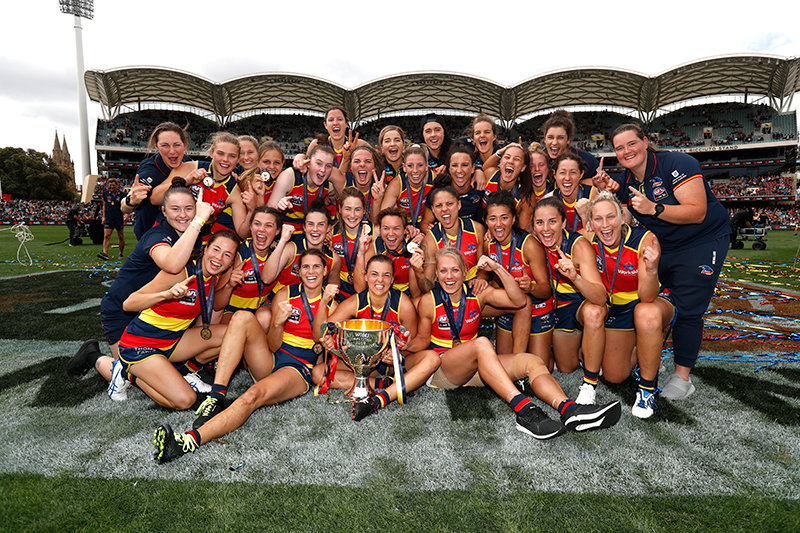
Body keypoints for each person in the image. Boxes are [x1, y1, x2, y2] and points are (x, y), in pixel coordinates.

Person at [412, 247, 620, 438]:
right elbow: (422, 339)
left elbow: (519, 301)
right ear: (437, 274)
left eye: (455, 270)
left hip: (475, 367)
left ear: (465, 272)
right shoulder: (429, 301)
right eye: (443, 271)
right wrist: (406, 345)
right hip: (444, 370)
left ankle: (570, 410)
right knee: (482, 344)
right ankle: (525, 411)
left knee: (531, 361)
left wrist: (497, 269)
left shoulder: (477, 293)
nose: (449, 277)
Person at [151, 249, 335, 463]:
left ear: (325, 271)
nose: (311, 271)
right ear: (298, 271)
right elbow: (273, 345)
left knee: (251, 396)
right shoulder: (286, 294)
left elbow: (325, 351)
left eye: (316, 267)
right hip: (273, 358)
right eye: (305, 266)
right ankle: (216, 396)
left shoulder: (334, 304)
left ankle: (188, 441)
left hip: (298, 369)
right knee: (241, 317)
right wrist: (277, 323)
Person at [596, 123, 730, 400]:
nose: (626, 151)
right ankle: (641, 350)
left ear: (645, 142)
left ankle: (682, 377)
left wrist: (654, 208)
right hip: (664, 245)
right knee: (652, 300)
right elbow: (628, 218)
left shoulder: (678, 162)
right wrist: (610, 193)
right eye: (619, 148)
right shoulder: (627, 180)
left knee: (688, 307)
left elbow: (697, 212)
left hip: (702, 240)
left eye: (631, 144)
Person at [66, 179, 212, 392]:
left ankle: (179, 370)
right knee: (132, 379)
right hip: (122, 309)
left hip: (151, 308)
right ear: (163, 211)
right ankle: (92, 356)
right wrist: (198, 220)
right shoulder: (158, 235)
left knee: (158, 370)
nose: (183, 214)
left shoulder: (193, 237)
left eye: (189, 208)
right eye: (175, 209)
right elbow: (172, 264)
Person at [71, 231, 242, 410]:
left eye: (227, 254)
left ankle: (185, 372)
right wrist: (165, 295)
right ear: (206, 249)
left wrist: (229, 284)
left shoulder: (212, 276)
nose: (219, 257)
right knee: (185, 400)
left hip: (173, 341)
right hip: (141, 344)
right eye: (216, 249)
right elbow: (129, 304)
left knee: (231, 335)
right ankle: (125, 373)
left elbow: (215, 303)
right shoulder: (180, 272)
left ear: (231, 262)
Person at [313, 254, 440, 420]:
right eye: (374, 274)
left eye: (386, 275)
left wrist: (403, 348)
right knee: (317, 373)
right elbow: (322, 332)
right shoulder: (355, 302)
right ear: (365, 276)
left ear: (393, 279)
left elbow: (419, 341)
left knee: (433, 359)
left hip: (393, 364)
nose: (380, 280)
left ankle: (378, 401)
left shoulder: (403, 304)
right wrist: (329, 340)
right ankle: (385, 384)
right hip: (366, 363)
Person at [584, 192, 676, 418]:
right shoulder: (586, 241)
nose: (605, 225)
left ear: (622, 217)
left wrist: (653, 268)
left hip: (651, 300)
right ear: (590, 223)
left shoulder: (644, 239)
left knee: (647, 314)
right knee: (615, 375)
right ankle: (645, 348)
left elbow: (647, 296)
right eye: (598, 219)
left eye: (610, 217)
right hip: (617, 308)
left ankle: (646, 391)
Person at [532, 197, 608, 404]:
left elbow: (600, 298)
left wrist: (575, 277)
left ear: (564, 223)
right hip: (558, 309)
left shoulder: (578, 245)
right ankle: (590, 349)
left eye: (552, 222)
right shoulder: (533, 244)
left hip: (581, 303)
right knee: (566, 367)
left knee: (594, 313)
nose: (546, 229)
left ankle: (590, 384)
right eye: (540, 223)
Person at [483, 190, 554, 360]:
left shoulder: (529, 244)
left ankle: (548, 349)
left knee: (541, 366)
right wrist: (482, 280)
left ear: (514, 218)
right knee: (505, 363)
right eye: (492, 219)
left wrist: (531, 286)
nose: (498, 224)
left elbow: (546, 290)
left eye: (504, 218)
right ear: (486, 221)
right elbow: (490, 277)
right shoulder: (489, 244)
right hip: (509, 308)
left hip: (537, 308)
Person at [122, 122, 193, 240]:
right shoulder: (149, 169)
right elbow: (125, 207)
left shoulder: (189, 163)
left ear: (184, 144)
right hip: (150, 238)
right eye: (165, 145)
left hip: (180, 237)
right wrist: (131, 201)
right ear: (156, 146)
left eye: (177, 145)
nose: (172, 151)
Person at [415, 178, 486, 291]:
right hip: (446, 289)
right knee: (424, 302)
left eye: (449, 204)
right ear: (432, 210)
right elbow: (427, 288)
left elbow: (484, 266)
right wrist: (418, 273)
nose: (444, 209)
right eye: (439, 206)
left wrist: (481, 279)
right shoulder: (430, 240)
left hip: (473, 288)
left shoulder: (477, 229)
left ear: (458, 204)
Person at [222, 206, 284, 331]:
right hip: (232, 311)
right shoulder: (238, 253)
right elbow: (217, 303)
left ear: (277, 231)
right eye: (257, 224)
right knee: (237, 330)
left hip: (262, 309)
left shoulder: (279, 253)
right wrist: (229, 284)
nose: (262, 229)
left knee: (265, 318)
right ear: (250, 227)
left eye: (269, 226)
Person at [268, 143, 342, 233]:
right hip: (287, 231)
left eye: (328, 166)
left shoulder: (329, 186)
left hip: (311, 232)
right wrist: (278, 208)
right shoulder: (290, 177)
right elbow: (268, 212)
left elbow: (340, 208)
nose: (323, 170)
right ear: (308, 163)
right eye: (318, 163)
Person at [354, 207, 422, 298]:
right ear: (380, 230)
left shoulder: (413, 246)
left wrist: (415, 268)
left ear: (405, 230)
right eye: (386, 228)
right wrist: (361, 253)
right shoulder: (375, 247)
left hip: (407, 297)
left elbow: (416, 294)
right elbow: (360, 289)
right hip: (382, 295)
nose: (390, 233)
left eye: (396, 228)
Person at [419, 143, 486, 231]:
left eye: (465, 165)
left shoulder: (479, 187)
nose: (459, 170)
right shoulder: (439, 191)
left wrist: (480, 171)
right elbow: (425, 223)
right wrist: (431, 231)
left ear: (473, 168)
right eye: (454, 165)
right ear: (449, 169)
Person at [380, 144, 434, 233]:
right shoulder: (397, 184)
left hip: (426, 225)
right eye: (410, 165)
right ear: (404, 167)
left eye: (420, 165)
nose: (415, 170)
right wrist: (402, 227)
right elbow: (384, 216)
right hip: (404, 227)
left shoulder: (434, 180)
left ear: (427, 166)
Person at [541, 109, 600, 186]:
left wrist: (578, 183)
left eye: (560, 138)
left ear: (568, 139)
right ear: (545, 138)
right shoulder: (539, 159)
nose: (554, 142)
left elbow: (604, 183)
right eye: (550, 137)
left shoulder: (587, 160)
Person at [550, 152, 595, 233]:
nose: (567, 178)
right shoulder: (549, 200)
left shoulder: (593, 195)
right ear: (555, 175)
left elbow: (598, 237)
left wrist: (585, 217)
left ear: (581, 175)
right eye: (562, 172)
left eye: (573, 172)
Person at [97, 178, 126, 260]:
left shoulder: (122, 194)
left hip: (118, 217)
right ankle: (105, 253)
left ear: (117, 186)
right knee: (106, 235)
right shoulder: (106, 193)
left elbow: (125, 205)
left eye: (113, 185)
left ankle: (121, 253)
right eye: (110, 185)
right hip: (109, 218)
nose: (112, 186)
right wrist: (104, 217)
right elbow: (104, 206)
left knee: (120, 236)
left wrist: (126, 214)